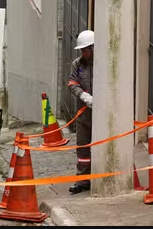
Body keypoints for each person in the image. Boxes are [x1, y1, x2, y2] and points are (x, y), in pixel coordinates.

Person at [67, 29, 94, 194]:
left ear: (93, 47)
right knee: (83, 148)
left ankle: (100, 176)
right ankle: (83, 180)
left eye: (86, 49)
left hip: (100, 115)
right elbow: (72, 84)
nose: (83, 53)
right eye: (82, 50)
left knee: (100, 146)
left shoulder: (103, 64)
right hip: (83, 115)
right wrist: (83, 95)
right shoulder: (77, 64)